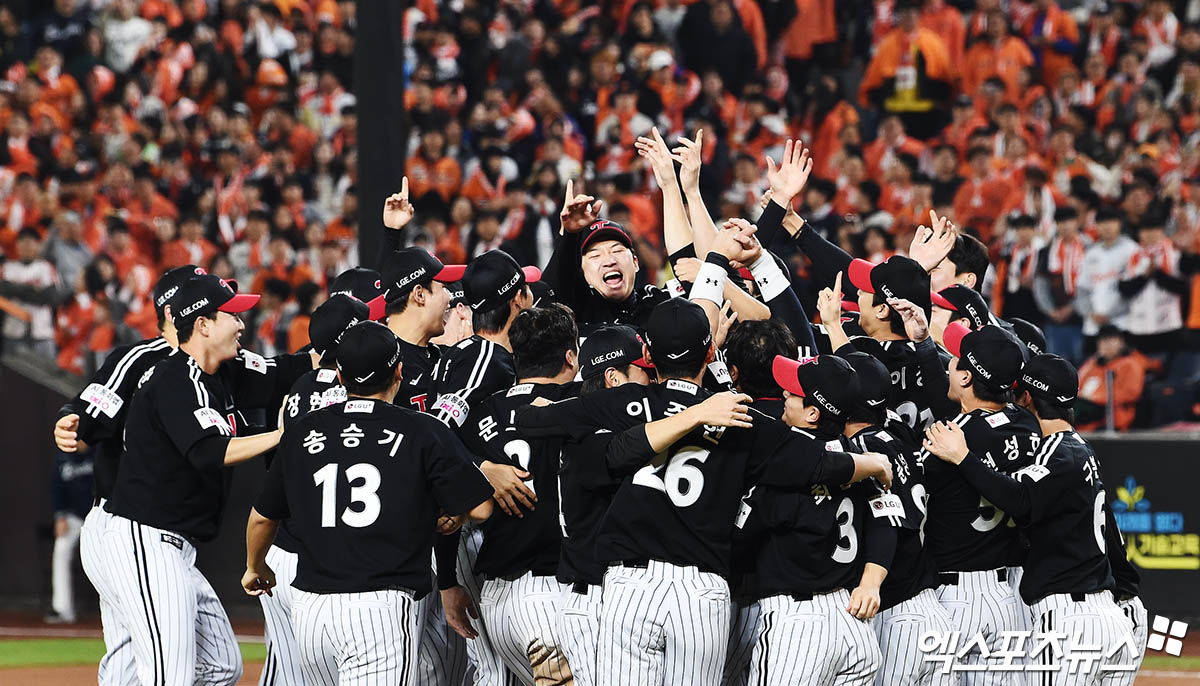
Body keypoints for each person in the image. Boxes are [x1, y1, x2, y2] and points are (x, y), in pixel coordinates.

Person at [515, 297, 893, 686]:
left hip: (631, 585)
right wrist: (875, 463)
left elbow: (528, 420)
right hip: (703, 593)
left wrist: (557, 408)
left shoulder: (627, 400)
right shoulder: (742, 416)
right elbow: (822, 463)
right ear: (711, 350)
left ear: (647, 352)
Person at [80, 274, 313, 686]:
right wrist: (280, 436)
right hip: (143, 539)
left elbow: (289, 369)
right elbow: (210, 451)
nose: (243, 323)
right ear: (203, 324)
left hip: (173, 547)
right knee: (169, 673)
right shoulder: (174, 378)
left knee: (222, 665)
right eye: (233, 315)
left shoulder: (221, 372)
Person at [243, 320, 495, 686]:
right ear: (399, 371)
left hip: (311, 611)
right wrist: (448, 513)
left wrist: (255, 566)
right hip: (379, 607)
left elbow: (262, 518)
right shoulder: (422, 429)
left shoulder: (303, 431)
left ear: (341, 378)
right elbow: (482, 508)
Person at [924, 354, 1137, 683]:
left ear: (1026, 398)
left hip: (1069, 619)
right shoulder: (1081, 449)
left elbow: (1020, 499)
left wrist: (962, 457)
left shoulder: (1058, 454)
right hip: (1105, 615)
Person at [52, 264, 199, 685]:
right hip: (122, 524)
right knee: (150, 662)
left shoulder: (220, 362)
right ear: (175, 310)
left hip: (163, 530)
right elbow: (85, 417)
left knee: (133, 662)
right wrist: (70, 420)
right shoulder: (140, 358)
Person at [740, 354, 885, 685]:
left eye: (793, 392)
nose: (785, 396)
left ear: (812, 413)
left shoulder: (787, 468)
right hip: (853, 623)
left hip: (800, 625)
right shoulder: (859, 457)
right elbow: (885, 522)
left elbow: (743, 535)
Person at [459, 305, 582, 685]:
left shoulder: (481, 414)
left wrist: (477, 466)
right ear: (571, 356)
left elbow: (436, 453)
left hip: (494, 600)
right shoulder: (581, 405)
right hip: (551, 597)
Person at [915, 323, 1042, 685]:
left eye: (954, 362)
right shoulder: (1028, 426)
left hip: (956, 598)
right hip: (1011, 596)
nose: (948, 367)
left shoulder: (948, 440)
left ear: (967, 378)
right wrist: (925, 345)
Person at [257, 293, 367, 686]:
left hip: (283, 543)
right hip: (326, 551)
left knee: (288, 672)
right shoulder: (354, 391)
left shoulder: (299, 386)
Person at [837, 351, 953, 686]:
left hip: (897, 614)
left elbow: (885, 519)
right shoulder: (899, 438)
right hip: (930, 607)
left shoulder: (860, 450)